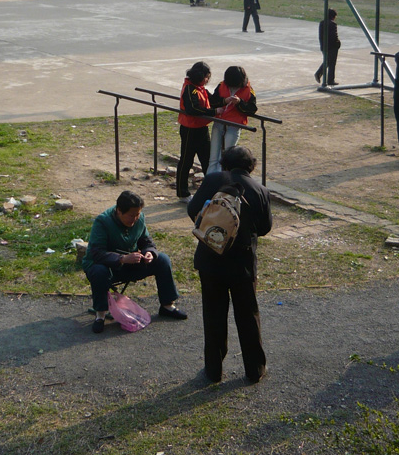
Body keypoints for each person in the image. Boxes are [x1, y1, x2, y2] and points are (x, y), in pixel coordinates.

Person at [187, 146, 272, 383]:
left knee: (213, 315)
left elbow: (192, 210)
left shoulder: (213, 179)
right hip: (242, 263)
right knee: (248, 315)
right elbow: (265, 228)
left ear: (224, 163)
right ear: (251, 166)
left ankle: (213, 370)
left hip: (210, 257)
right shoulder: (260, 190)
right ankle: (255, 369)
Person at [83, 190, 187, 333]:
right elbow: (96, 253)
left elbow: (146, 241)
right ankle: (100, 314)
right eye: (131, 215)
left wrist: (149, 253)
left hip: (130, 264)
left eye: (137, 214)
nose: (135, 219)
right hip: (108, 267)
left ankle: (167, 305)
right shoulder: (103, 222)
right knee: (99, 271)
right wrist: (122, 259)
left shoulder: (140, 219)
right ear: (119, 211)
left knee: (162, 260)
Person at [177, 61, 216, 202]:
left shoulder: (200, 88)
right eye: (206, 77)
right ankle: (182, 193)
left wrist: (225, 101)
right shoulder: (190, 89)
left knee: (207, 160)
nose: (207, 80)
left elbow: (212, 100)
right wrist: (214, 112)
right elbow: (192, 109)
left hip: (201, 128)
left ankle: (210, 191)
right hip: (189, 129)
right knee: (186, 160)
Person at [207, 66, 257, 175]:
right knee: (214, 156)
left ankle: (224, 179)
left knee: (227, 157)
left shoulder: (249, 89)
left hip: (234, 125)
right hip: (219, 122)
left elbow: (252, 109)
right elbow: (213, 102)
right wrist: (224, 101)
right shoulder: (221, 85)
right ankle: (210, 178)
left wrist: (239, 103)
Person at [314, 8, 340, 85]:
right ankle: (330, 80)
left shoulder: (322, 23)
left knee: (327, 61)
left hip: (324, 46)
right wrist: (338, 44)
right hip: (332, 47)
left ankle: (319, 74)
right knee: (332, 63)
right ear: (333, 16)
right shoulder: (333, 24)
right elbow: (334, 36)